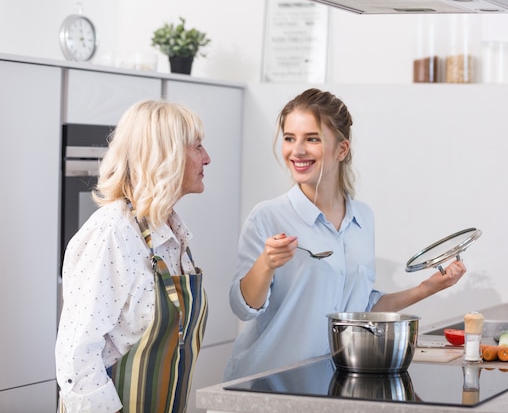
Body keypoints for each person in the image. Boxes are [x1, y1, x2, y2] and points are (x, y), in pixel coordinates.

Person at [223, 88, 466, 381]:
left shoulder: (363, 218)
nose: (296, 150)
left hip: (331, 383)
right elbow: (242, 308)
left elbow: (360, 308)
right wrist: (266, 263)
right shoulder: (268, 216)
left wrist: (428, 287)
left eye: (311, 139)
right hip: (269, 384)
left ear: (341, 149)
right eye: (289, 138)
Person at [55, 100, 211, 413]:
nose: (207, 158)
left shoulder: (171, 234)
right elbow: (78, 359)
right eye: (197, 147)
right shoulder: (112, 233)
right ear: (166, 156)